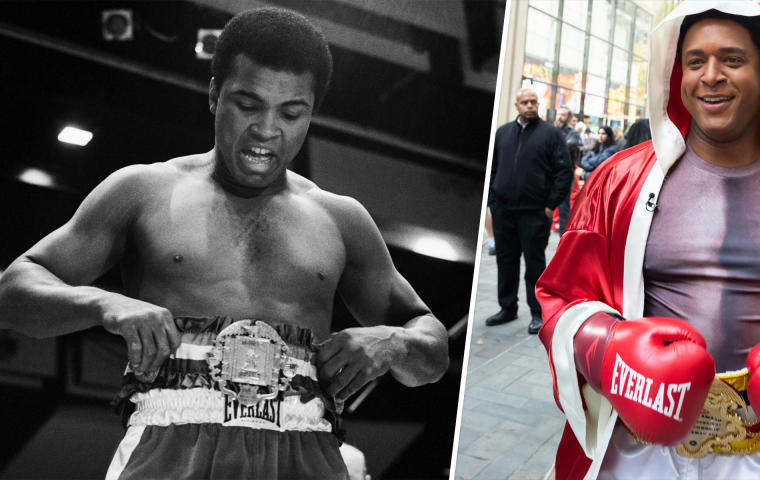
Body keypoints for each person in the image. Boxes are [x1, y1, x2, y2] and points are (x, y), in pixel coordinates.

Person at [0, 7, 448, 479]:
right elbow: (12, 292)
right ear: (215, 95)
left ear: (311, 112)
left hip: (307, 447)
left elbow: (432, 350)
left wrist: (394, 341)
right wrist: (103, 302)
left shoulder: (341, 219)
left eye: (291, 112)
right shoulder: (144, 190)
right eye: (248, 104)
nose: (267, 129)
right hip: (170, 440)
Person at [535, 4, 760, 479]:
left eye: (733, 60)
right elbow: (562, 296)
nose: (711, 76)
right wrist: (607, 348)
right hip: (633, 447)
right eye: (695, 61)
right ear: (677, 72)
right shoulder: (618, 181)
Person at [486, 88, 571, 335]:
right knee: (506, 260)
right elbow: (492, 169)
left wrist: (549, 206)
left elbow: (564, 171)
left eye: (534, 101)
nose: (530, 105)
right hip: (504, 210)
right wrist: (493, 200)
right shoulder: (502, 133)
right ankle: (507, 307)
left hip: (534, 212)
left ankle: (537, 312)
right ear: (516, 105)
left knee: (535, 263)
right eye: (525, 102)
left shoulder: (551, 134)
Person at [555, 106, 584, 234]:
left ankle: (563, 238)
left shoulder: (573, 133)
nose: (560, 117)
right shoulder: (552, 130)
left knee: (563, 207)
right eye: (558, 114)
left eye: (563, 115)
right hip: (550, 171)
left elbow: (565, 148)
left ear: (569, 117)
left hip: (564, 174)